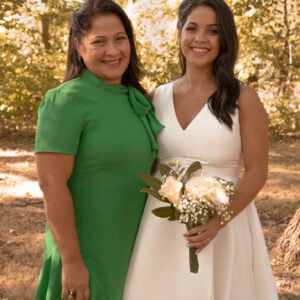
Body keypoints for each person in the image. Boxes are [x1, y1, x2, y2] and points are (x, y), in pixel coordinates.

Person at [124, 0, 278, 299]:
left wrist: (217, 221)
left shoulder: (243, 97)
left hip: (226, 223)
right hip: (163, 224)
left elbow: (257, 171)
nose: (200, 38)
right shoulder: (156, 98)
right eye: (192, 28)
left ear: (225, 40)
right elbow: (149, 163)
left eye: (212, 31)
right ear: (180, 33)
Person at [34, 0, 162, 299]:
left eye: (120, 39)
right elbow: (51, 183)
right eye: (99, 42)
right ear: (79, 46)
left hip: (131, 245)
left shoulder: (137, 98)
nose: (113, 51)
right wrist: (72, 261)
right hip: (87, 251)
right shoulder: (65, 100)